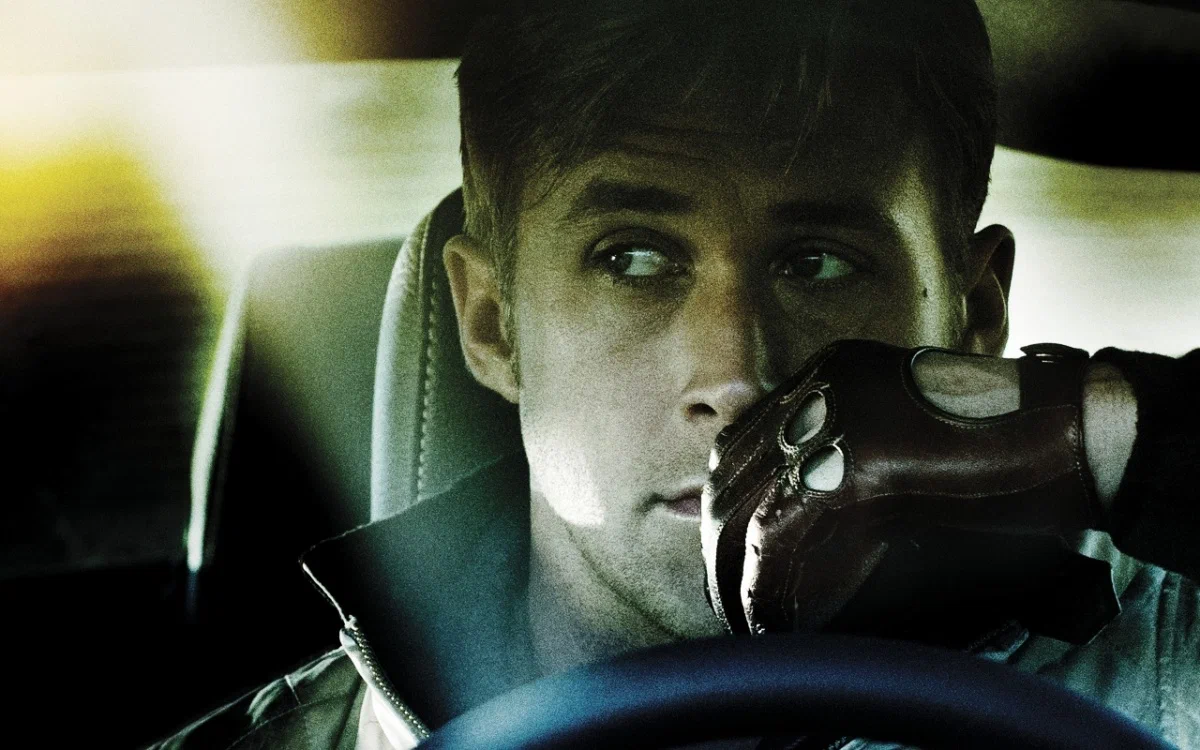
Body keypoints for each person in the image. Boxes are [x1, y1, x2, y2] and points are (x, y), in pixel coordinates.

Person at [153, 0, 1199, 748]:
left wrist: (1113, 433)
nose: (736, 379)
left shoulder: (1167, 666)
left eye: (819, 263)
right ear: (492, 324)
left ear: (975, 316)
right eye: (634, 260)